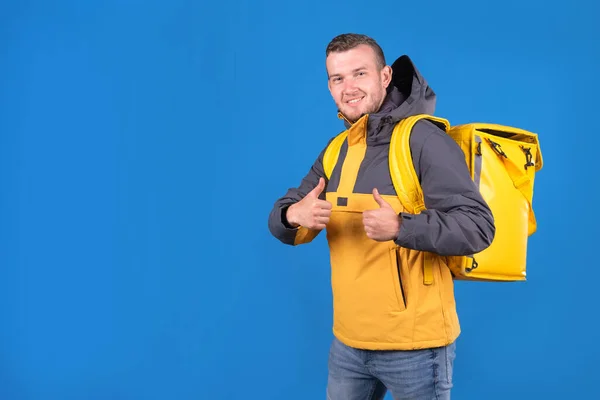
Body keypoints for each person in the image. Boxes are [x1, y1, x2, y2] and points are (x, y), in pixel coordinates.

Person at [267, 33, 495, 400]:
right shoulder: (337, 149)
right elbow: (284, 214)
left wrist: (402, 227)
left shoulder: (423, 139)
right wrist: (294, 214)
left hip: (416, 347)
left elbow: (479, 226)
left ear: (385, 76)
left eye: (360, 73)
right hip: (348, 344)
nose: (349, 87)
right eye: (337, 78)